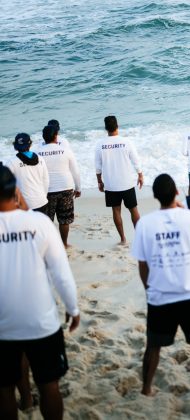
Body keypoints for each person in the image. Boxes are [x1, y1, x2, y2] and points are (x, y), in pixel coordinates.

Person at [0, 165, 80, 420]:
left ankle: (23, 399)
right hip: (41, 321)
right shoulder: (39, 223)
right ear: (15, 190)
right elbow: (61, 272)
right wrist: (73, 307)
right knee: (49, 386)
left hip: (3, 325)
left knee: (3, 391)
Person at [131, 173, 190, 398]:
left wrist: (148, 289)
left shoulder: (144, 223)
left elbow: (143, 265)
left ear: (155, 196)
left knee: (153, 346)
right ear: (177, 192)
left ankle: (146, 388)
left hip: (160, 295)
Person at [94, 115, 143, 244]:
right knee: (133, 209)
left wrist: (99, 181)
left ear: (106, 128)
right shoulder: (126, 142)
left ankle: (122, 239)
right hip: (126, 182)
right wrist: (140, 175)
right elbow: (136, 161)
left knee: (116, 210)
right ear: (117, 125)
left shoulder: (100, 144)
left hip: (111, 184)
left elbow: (98, 166)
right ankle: (138, 237)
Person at [38, 125, 81, 248]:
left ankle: (50, 246)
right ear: (56, 136)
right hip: (65, 188)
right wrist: (78, 188)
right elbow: (75, 171)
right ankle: (64, 244)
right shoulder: (65, 150)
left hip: (47, 191)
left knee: (47, 221)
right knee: (64, 220)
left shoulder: (37, 152)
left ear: (43, 137)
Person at [6, 133, 49, 213]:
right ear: (30, 144)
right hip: (41, 201)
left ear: (15, 146)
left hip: (23, 204)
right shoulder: (40, 159)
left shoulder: (11, 162)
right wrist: (43, 195)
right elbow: (46, 180)